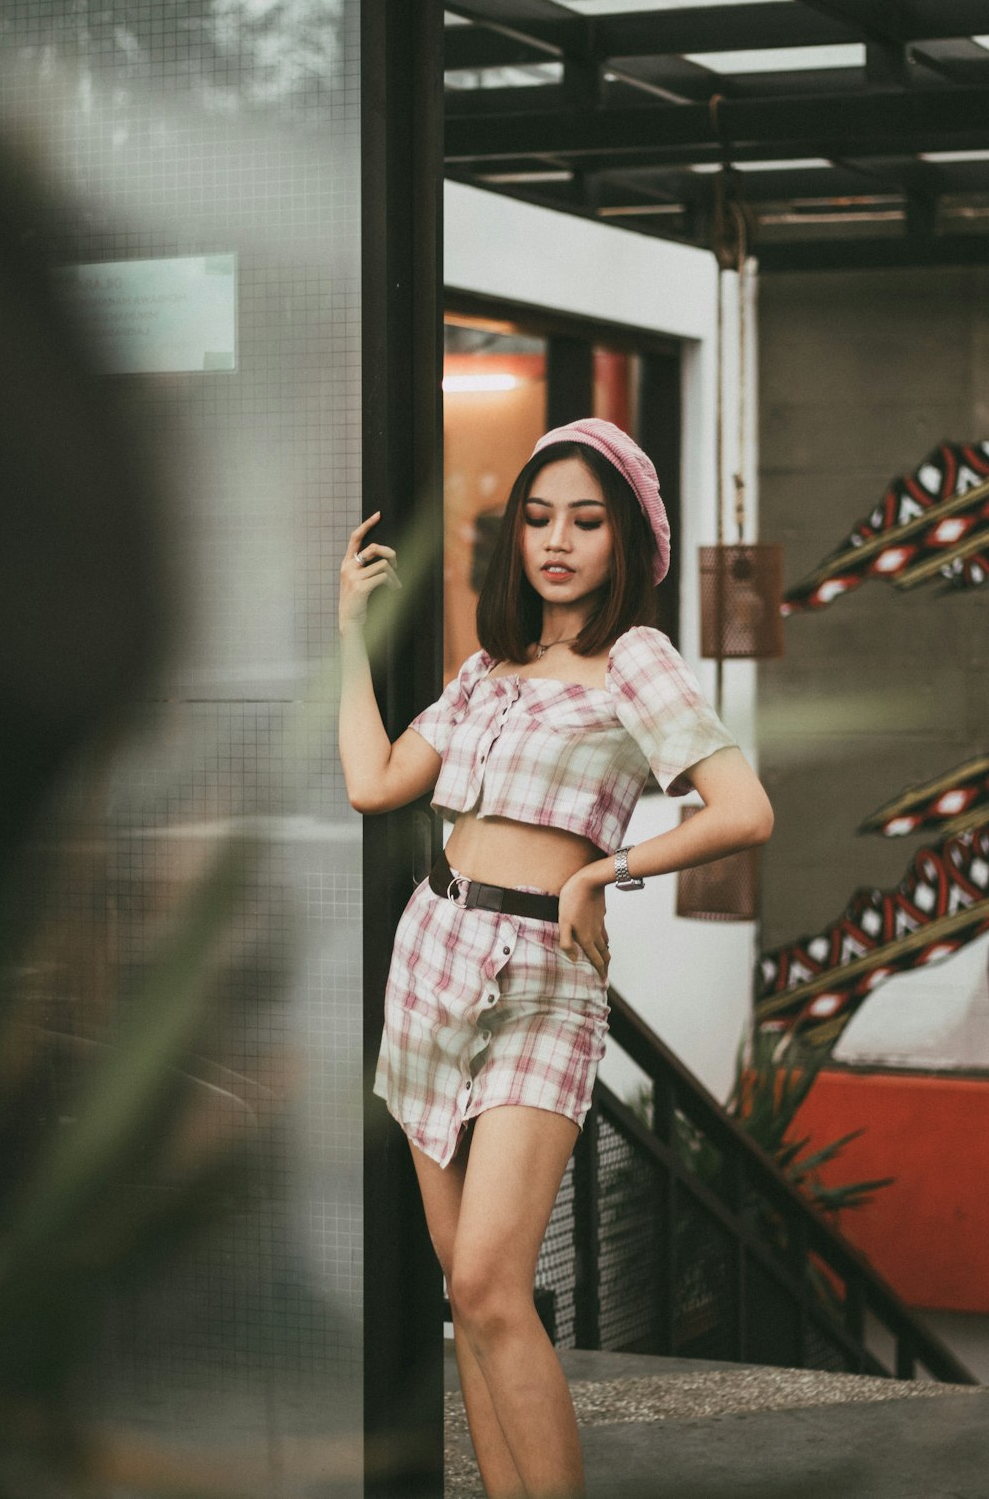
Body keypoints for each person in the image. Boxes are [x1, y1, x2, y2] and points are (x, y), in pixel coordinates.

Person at [339, 418, 773, 1499]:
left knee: (490, 1282)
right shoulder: (490, 669)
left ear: (624, 538)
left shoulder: (636, 660)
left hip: (544, 978)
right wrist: (346, 633)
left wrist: (603, 872)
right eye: (537, 519)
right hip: (433, 952)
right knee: (467, 1291)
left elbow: (743, 810)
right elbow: (378, 780)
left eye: (584, 520)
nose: (557, 542)